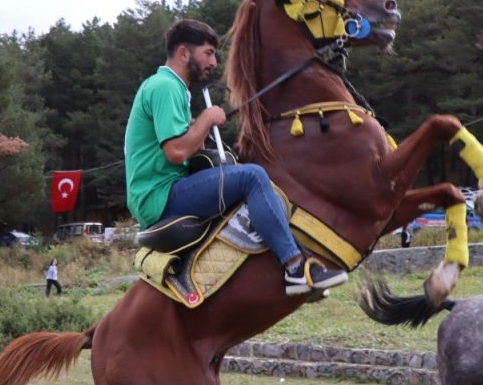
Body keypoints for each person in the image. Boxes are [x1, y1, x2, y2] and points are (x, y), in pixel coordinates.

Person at [124, 19, 347, 296]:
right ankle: (294, 267)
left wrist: (198, 128)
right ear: (183, 53)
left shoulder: (173, 88)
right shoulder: (165, 86)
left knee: (242, 172)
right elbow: (176, 152)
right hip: (161, 196)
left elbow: (182, 148)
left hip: (164, 190)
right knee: (252, 177)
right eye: (208, 53)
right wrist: (205, 120)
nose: (214, 62)